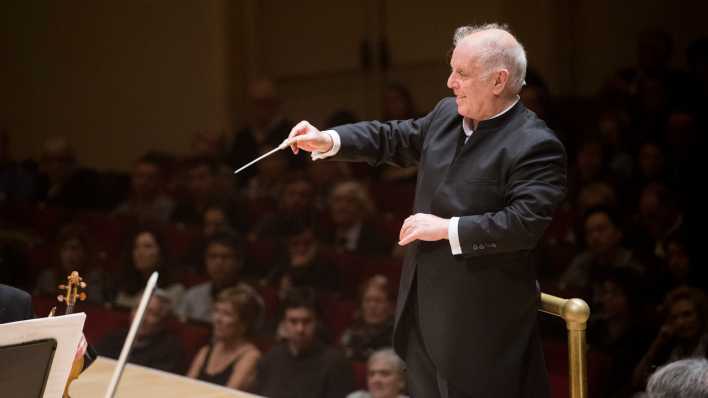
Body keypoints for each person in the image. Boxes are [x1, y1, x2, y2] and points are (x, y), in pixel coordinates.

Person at [284, 23, 566, 397]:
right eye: (452, 70)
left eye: (461, 74)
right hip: (421, 313)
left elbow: (523, 224)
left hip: (480, 328)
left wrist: (447, 229)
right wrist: (330, 139)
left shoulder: (535, 145)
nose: (450, 82)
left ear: (499, 81)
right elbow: (392, 137)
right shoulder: (446, 114)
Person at [252, 287, 355, 398]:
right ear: (283, 324)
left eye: (307, 321)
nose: (300, 329)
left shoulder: (335, 363)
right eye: (293, 321)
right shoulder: (271, 358)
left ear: (317, 323)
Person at [187, 285, 263, 390]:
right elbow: (185, 388)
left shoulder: (250, 356)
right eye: (217, 311)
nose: (217, 319)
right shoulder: (206, 351)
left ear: (244, 324)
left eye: (227, 314)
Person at [96, 290, 185, 373]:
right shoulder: (114, 338)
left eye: (151, 313)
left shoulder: (170, 349)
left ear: (164, 320)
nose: (141, 317)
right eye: (138, 309)